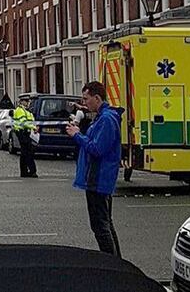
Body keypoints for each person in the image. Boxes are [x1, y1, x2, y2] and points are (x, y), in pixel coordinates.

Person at [66, 81, 123, 258]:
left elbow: (97, 149)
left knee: (100, 225)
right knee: (105, 222)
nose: (84, 103)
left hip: (98, 178)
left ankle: (111, 264)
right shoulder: (102, 117)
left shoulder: (106, 119)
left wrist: (77, 135)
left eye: (86, 99)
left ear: (97, 98)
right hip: (97, 177)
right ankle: (116, 262)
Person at [14, 97, 38, 178]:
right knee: (28, 152)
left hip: (28, 133)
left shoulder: (28, 111)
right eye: (26, 101)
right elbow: (23, 122)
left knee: (25, 153)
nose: (28, 102)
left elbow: (32, 121)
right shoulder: (20, 110)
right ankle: (32, 171)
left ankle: (25, 172)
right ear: (21, 102)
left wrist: (34, 127)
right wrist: (33, 127)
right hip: (22, 133)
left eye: (28, 101)